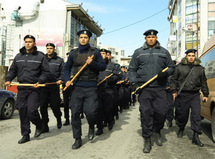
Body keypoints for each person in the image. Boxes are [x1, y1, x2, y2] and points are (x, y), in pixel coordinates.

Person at [128, 29, 174, 153]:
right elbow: (131, 69)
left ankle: (157, 130)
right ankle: (147, 138)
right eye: (149, 37)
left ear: (156, 38)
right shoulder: (138, 53)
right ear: (145, 39)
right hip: (145, 88)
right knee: (146, 113)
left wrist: (164, 74)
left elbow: (171, 67)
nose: (151, 39)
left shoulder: (164, 52)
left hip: (160, 88)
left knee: (162, 113)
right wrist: (133, 83)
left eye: (153, 37)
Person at [64, 30, 106, 149]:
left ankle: (91, 126)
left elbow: (102, 67)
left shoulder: (95, 53)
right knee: (75, 113)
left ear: (89, 39)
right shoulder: (74, 53)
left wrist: (92, 63)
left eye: (85, 37)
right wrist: (67, 79)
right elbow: (66, 68)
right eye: (81, 37)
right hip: (77, 87)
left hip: (91, 87)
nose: (83, 39)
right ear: (78, 38)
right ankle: (77, 138)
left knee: (91, 112)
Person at [5, 35, 51, 144]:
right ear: (24, 43)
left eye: (30, 42)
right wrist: (8, 79)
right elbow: (12, 70)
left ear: (34, 43)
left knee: (31, 110)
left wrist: (39, 81)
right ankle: (25, 134)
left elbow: (46, 72)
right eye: (26, 42)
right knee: (22, 110)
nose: (28, 44)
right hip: (22, 87)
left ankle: (39, 125)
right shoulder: (18, 56)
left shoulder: (40, 56)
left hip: (34, 88)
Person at [170, 49, 209, 147]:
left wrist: (205, 94)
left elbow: (203, 82)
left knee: (196, 115)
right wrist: (174, 91)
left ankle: (196, 136)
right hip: (183, 95)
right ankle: (181, 128)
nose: (191, 57)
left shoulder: (200, 68)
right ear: (186, 57)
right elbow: (174, 80)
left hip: (195, 95)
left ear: (195, 56)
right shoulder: (179, 67)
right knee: (182, 115)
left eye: (193, 55)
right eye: (189, 55)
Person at [40, 43, 64, 133]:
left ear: (54, 49)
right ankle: (45, 126)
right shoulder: (42, 59)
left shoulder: (59, 60)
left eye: (51, 48)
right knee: (43, 107)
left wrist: (60, 79)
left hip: (54, 86)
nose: (49, 50)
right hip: (43, 86)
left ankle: (58, 118)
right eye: (47, 48)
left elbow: (63, 72)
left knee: (54, 106)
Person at [96, 49, 119, 135]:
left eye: (103, 53)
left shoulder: (112, 66)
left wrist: (111, 79)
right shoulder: (95, 65)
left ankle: (110, 121)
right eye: (100, 53)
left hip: (108, 90)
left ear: (106, 55)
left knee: (108, 109)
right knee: (98, 110)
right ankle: (99, 127)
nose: (102, 55)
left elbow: (116, 76)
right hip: (98, 90)